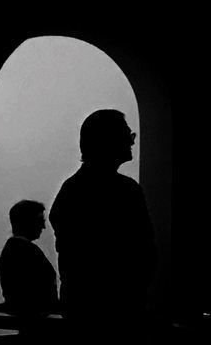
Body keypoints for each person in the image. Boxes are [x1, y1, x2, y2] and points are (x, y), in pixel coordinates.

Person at [49, 109, 155, 320]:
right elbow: (143, 250)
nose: (132, 142)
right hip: (123, 309)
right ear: (109, 141)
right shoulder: (127, 190)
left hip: (83, 309)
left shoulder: (71, 190)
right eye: (128, 136)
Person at [0, 199, 58, 317]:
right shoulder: (26, 251)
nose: (43, 226)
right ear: (28, 222)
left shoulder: (12, 249)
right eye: (40, 221)